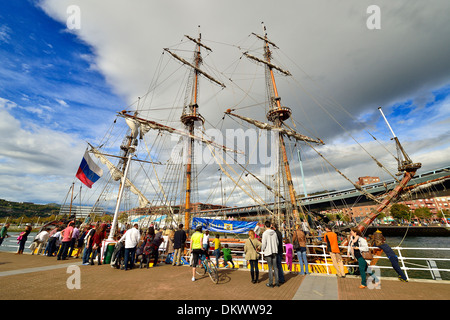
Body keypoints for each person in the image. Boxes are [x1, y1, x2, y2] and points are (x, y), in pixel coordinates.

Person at [261, 220, 279, 287]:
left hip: (268, 251)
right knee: (275, 267)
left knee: (270, 268)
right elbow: (277, 242)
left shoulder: (265, 233)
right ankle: (277, 282)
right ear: (270, 225)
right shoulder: (274, 233)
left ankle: (271, 283)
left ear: (265, 226)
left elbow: (264, 243)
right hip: (274, 251)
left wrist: (262, 249)